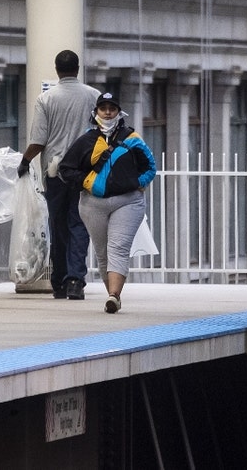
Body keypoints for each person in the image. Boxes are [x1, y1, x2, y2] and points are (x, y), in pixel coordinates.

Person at [59, 92, 157, 314]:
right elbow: (66, 169)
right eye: (103, 108)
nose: (108, 112)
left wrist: (138, 182)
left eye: (112, 108)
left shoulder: (132, 138)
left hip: (128, 202)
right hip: (93, 204)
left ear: (119, 112)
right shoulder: (86, 141)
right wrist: (86, 182)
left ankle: (114, 296)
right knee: (103, 252)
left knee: (118, 248)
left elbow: (150, 166)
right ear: (96, 113)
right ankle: (112, 294)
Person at [17, 50, 101, 300]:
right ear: (77, 68)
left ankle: (59, 281)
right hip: (85, 173)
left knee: (58, 224)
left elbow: (38, 141)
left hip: (55, 172)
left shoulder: (46, 99)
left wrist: (25, 160)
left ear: (57, 70)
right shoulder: (93, 96)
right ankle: (76, 279)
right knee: (79, 224)